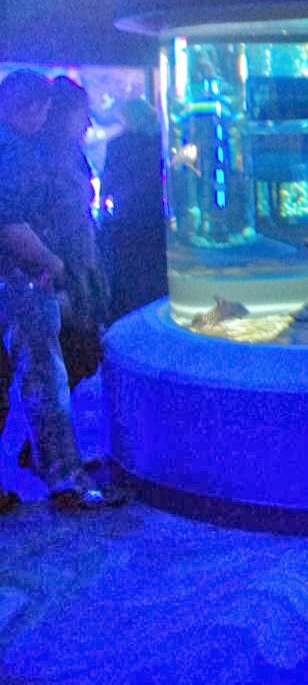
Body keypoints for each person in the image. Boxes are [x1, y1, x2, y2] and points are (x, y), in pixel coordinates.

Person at [0, 70, 125, 511]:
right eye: (36, 107)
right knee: (46, 379)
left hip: (26, 278)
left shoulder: (27, 150)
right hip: (23, 281)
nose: (41, 114)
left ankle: (53, 467)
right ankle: (66, 480)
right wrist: (54, 266)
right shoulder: (16, 154)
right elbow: (16, 223)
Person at [35, 78, 109, 388]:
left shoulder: (73, 157)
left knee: (81, 363)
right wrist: (59, 284)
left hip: (80, 278)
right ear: (61, 114)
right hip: (59, 282)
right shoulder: (38, 165)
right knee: (68, 366)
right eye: (82, 113)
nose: (89, 123)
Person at [100, 96, 168, 319]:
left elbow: (108, 183)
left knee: (130, 276)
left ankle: (131, 321)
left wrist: (104, 209)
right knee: (156, 272)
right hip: (157, 217)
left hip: (127, 219)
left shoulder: (118, 145)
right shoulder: (161, 143)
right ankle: (159, 314)